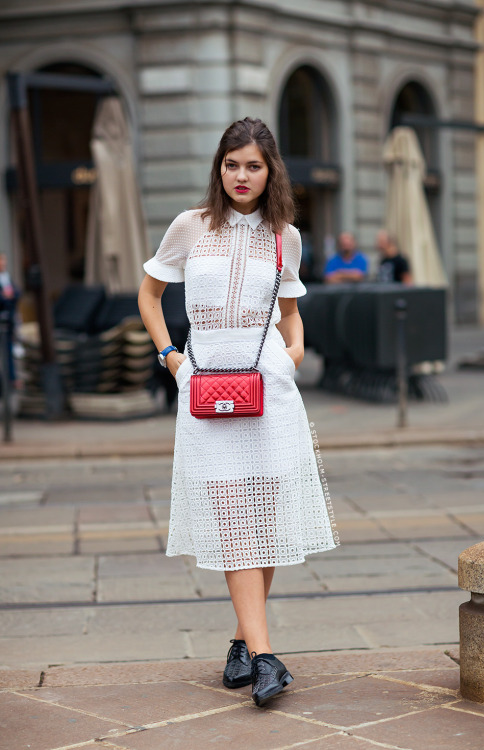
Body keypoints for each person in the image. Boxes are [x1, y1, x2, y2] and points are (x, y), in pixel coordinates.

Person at [138, 117, 337, 707]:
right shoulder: (190, 226)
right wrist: (172, 359)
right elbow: (150, 295)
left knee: (261, 518)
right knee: (233, 516)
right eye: (232, 165)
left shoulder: (285, 236)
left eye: (253, 165)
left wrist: (292, 355)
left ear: (270, 169)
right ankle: (267, 657)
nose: (241, 176)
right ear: (218, 168)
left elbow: (292, 310)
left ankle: (244, 645)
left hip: (269, 388)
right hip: (203, 388)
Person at [0, 254, 20, 385]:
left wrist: (11, 295)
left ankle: (11, 378)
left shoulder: (7, 277)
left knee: (9, 351)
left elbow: (17, 292)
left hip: (9, 320)